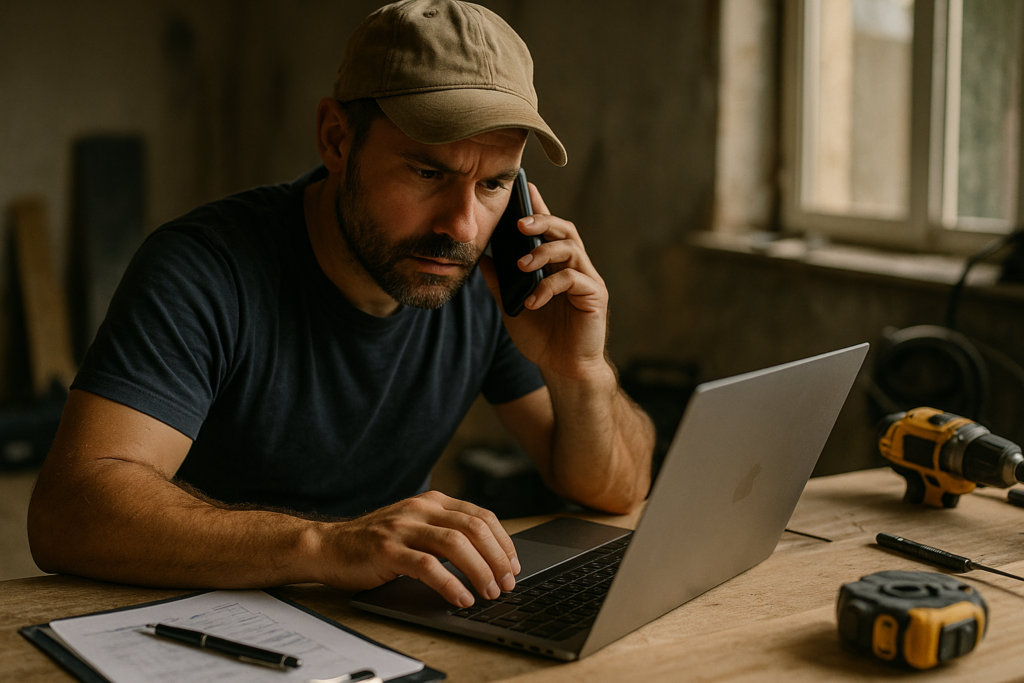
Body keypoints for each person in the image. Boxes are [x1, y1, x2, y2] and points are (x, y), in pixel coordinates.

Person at [27, 0, 654, 609]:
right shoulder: (201, 269)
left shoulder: (491, 278)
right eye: (427, 173)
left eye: (492, 183)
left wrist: (582, 373)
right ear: (336, 139)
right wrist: (326, 544)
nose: (462, 226)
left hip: (386, 613)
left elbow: (617, 490)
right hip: (200, 616)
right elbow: (70, 512)